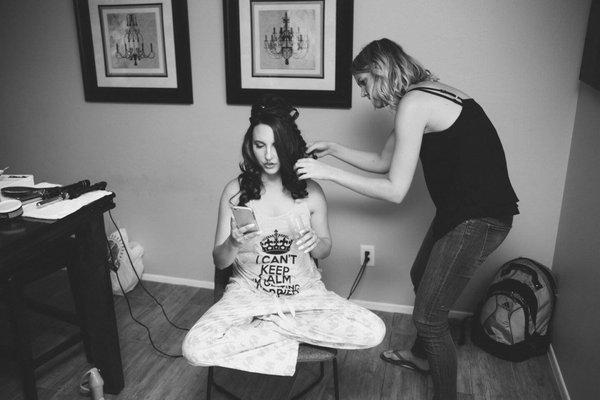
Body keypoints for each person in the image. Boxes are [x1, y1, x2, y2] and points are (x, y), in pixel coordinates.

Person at [294, 38, 519, 400]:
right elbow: (384, 161)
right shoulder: (422, 94)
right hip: (462, 212)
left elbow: (395, 190)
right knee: (421, 277)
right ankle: (422, 356)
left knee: (429, 318)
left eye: (365, 83)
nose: (366, 95)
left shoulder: (414, 103)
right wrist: (334, 151)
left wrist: (327, 174)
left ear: (381, 70)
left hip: (479, 218)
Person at [182, 95, 385, 376]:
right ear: (249, 146)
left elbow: (325, 249)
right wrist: (233, 242)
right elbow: (220, 261)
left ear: (289, 145)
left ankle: (271, 327)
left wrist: (316, 244)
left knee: (374, 330)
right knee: (193, 348)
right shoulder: (234, 191)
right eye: (260, 145)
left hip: (304, 295)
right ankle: (286, 330)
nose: (268, 155)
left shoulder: (311, 191)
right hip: (248, 295)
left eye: (276, 146)